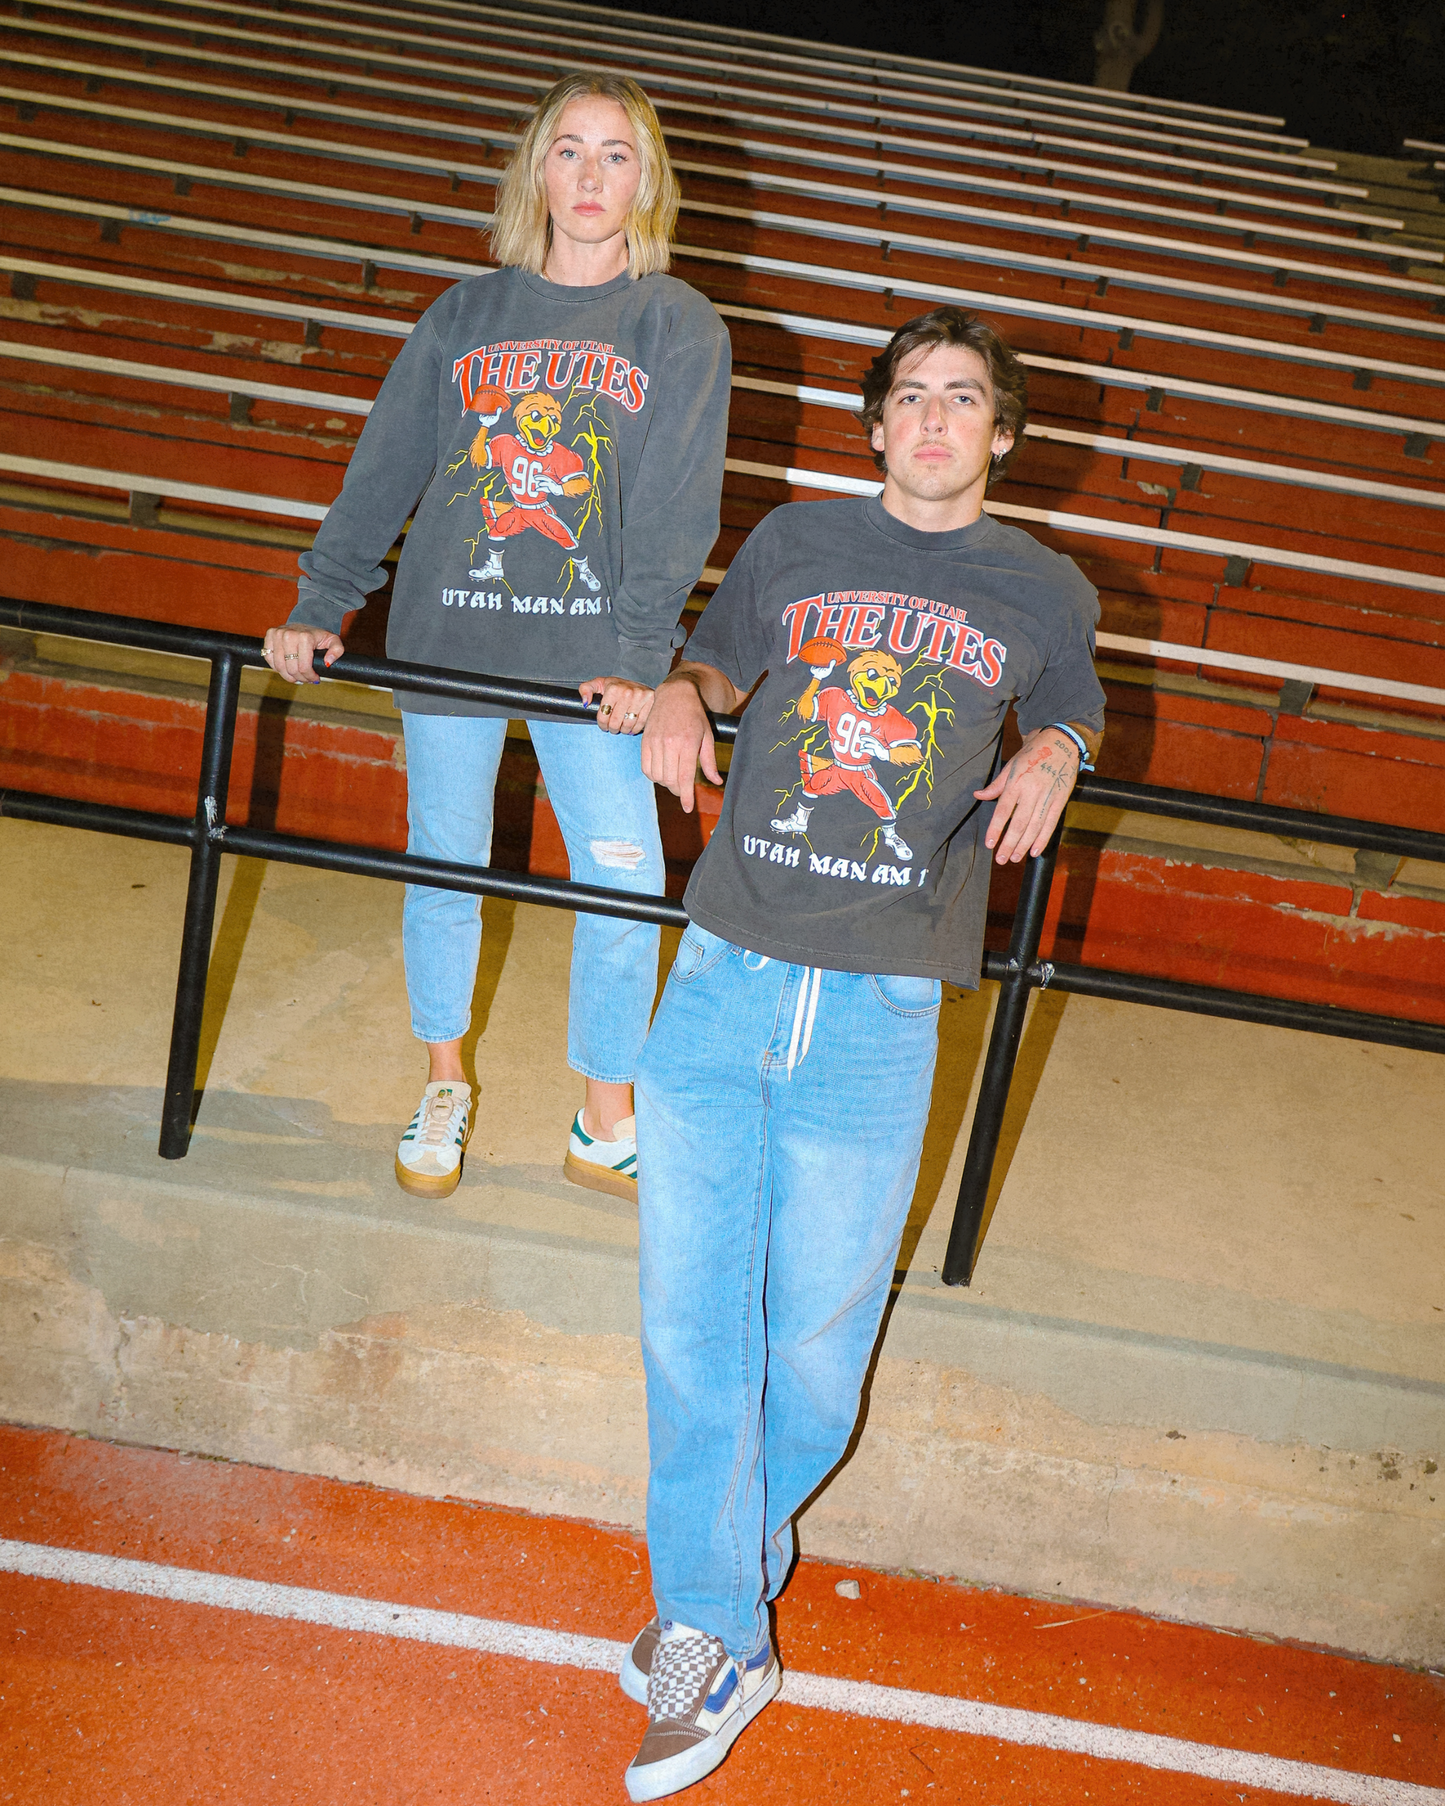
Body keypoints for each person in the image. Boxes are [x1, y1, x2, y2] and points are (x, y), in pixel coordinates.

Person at [619, 306, 1106, 1801]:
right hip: (723, 970)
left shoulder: (1042, 584)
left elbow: (1081, 705)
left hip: (882, 1007)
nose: (937, 418)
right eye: (911, 397)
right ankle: (716, 1626)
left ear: (1003, 433)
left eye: (966, 399)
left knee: (818, 1356)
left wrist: (1053, 748)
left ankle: (718, 1578)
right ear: (880, 427)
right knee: (691, 1321)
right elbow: (712, 665)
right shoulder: (792, 540)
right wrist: (678, 704)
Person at [260, 73, 730, 1203]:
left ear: (646, 180)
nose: (589, 175)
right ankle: (442, 1081)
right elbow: (385, 468)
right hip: (450, 641)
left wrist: (638, 652)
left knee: (620, 878)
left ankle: (604, 1109)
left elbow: (674, 508)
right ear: (535, 168)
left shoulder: (676, 324)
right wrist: (324, 599)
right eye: (568, 150)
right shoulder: (464, 315)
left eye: (616, 155)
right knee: (445, 871)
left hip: (590, 664)